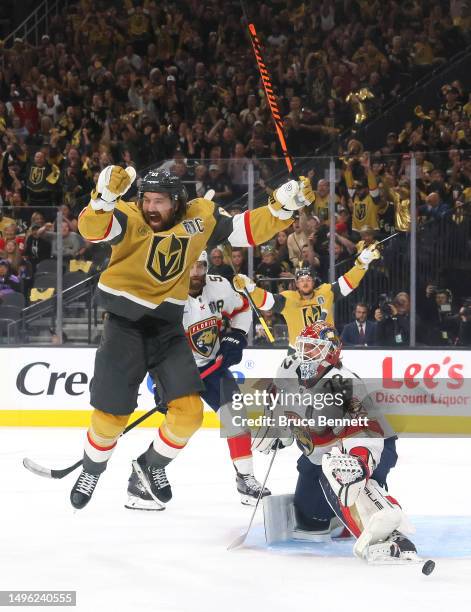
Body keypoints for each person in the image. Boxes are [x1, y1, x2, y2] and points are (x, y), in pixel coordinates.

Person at [71, 165, 314, 510]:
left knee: (189, 415)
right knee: (110, 417)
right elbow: (92, 229)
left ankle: (148, 466)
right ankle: (92, 469)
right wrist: (104, 198)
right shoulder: (127, 215)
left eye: (160, 201)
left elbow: (244, 229)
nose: (151, 207)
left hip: (167, 327)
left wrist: (281, 209)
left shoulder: (200, 216)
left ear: (179, 202)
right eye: (147, 200)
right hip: (124, 325)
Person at [255, 321, 422, 565]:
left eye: (313, 348)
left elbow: (367, 431)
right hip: (320, 451)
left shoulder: (344, 384)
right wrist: (275, 429)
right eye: (303, 346)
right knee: (311, 520)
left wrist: (359, 463)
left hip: (370, 444)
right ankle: (343, 513)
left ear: (331, 352)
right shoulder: (289, 367)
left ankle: (392, 534)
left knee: (342, 473)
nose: (304, 353)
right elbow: (277, 400)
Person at [126, 251, 269, 510]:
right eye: (190, 267)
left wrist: (235, 335)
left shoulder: (219, 286)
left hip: (212, 366)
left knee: (236, 414)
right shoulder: (164, 296)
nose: (195, 273)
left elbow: (243, 309)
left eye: (200, 266)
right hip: (176, 369)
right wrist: (160, 378)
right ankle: (145, 470)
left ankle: (245, 477)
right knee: (186, 421)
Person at [233, 242, 380, 350]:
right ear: (296, 283)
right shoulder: (288, 299)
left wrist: (362, 264)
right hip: (297, 353)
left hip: (326, 351)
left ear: (314, 281)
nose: (305, 283)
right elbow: (265, 301)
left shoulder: (326, 292)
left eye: (308, 279)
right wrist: (251, 289)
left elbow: (349, 281)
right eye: (301, 280)